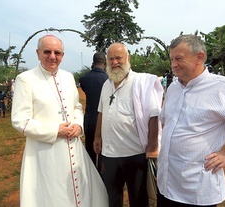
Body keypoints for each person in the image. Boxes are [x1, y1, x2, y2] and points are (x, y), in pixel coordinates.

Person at [157, 34, 225, 207]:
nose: (173, 65)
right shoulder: (173, 88)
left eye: (178, 59)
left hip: (197, 190)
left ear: (199, 57)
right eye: (171, 59)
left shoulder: (224, 88)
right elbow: (166, 122)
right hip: (166, 184)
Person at [11, 35, 108, 207]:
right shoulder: (26, 79)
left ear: (62, 55)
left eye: (57, 52)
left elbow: (77, 106)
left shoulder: (68, 77)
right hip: (46, 152)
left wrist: (78, 124)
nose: (52, 56)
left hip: (74, 148)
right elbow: (20, 120)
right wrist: (55, 130)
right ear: (38, 53)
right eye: (47, 51)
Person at [93, 42, 164, 207]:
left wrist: (153, 148)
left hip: (134, 153)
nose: (114, 62)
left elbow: (154, 115)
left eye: (118, 58)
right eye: (111, 59)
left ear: (128, 58)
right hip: (109, 154)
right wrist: (97, 136)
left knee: (138, 199)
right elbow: (101, 112)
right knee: (112, 197)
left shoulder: (141, 82)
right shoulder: (106, 84)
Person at [79, 52, 108, 167]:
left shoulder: (84, 78)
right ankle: (102, 177)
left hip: (90, 117)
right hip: (104, 118)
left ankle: (90, 176)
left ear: (93, 63)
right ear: (104, 63)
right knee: (103, 149)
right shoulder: (108, 79)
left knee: (89, 148)